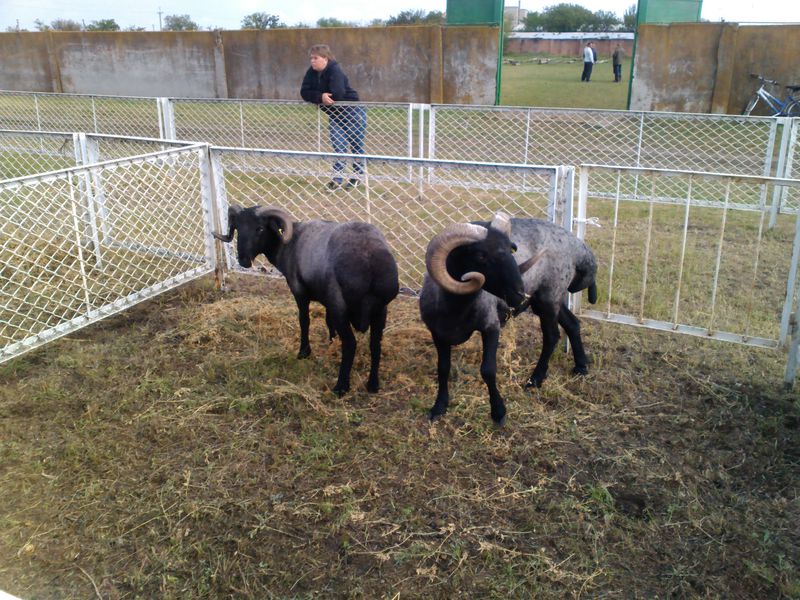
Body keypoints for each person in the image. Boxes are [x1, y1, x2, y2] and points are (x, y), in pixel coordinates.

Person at [300, 44, 366, 191]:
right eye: (311, 58)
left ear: (325, 58)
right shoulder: (311, 72)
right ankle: (337, 179)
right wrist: (320, 96)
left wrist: (319, 97)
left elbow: (337, 94)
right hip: (335, 115)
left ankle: (357, 177)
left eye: (315, 58)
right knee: (338, 147)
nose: (312, 61)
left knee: (356, 146)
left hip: (353, 112)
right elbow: (304, 92)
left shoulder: (335, 71)